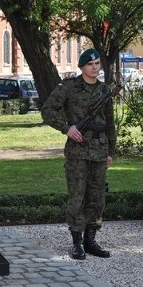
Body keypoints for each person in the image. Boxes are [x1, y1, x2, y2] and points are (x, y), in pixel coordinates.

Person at [41, 49, 116, 260]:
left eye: (97, 63)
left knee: (97, 197)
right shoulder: (69, 87)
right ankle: (77, 243)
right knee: (77, 197)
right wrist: (67, 128)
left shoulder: (104, 90)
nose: (95, 67)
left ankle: (91, 241)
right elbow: (48, 110)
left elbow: (110, 123)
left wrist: (111, 151)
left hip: (99, 150)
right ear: (82, 67)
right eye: (90, 63)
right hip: (78, 152)